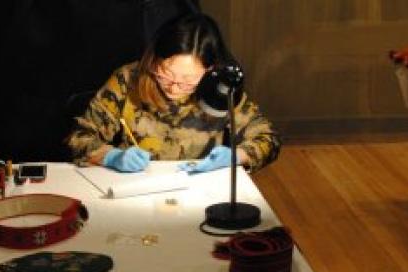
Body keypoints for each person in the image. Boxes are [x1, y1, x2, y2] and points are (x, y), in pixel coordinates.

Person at [65, 13, 280, 173]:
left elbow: (268, 140)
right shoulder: (129, 79)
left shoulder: (220, 88)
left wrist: (235, 156)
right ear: (153, 60)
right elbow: (79, 138)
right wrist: (112, 157)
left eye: (188, 80)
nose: (174, 87)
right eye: (165, 75)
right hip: (134, 187)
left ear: (210, 70)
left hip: (197, 190)